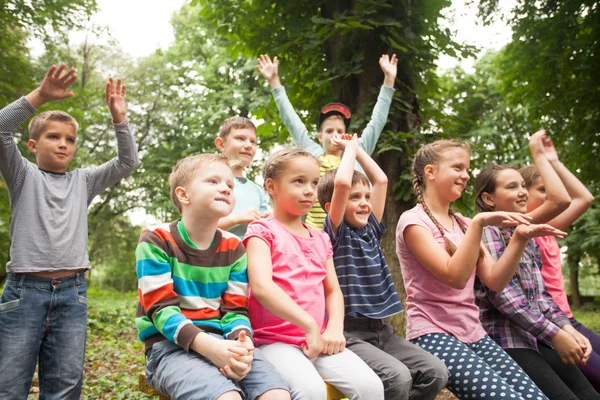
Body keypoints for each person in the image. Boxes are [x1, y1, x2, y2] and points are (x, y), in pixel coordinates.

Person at [0, 64, 139, 399]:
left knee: (64, 386)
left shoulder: (84, 181)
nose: (63, 144)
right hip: (25, 292)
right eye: (53, 136)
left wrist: (120, 119)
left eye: (70, 139)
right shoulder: (22, 175)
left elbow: (127, 162)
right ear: (32, 145)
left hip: (72, 294)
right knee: (8, 385)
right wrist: (41, 96)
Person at [396, 139, 560, 399]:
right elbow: (455, 277)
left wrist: (519, 238)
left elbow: (495, 281)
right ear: (430, 172)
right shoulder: (413, 222)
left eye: (467, 169)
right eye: (458, 168)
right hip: (433, 332)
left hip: (473, 331)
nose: (465, 175)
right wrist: (479, 224)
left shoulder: (463, 223)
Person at [135, 153, 290, 400]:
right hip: (168, 348)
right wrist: (210, 348)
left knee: (277, 394)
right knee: (227, 397)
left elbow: (235, 311)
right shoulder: (156, 239)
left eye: (229, 184)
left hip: (222, 341)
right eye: (213, 181)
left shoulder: (235, 248)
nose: (225, 189)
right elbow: (160, 310)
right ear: (183, 195)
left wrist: (242, 343)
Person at [244, 148, 384, 400]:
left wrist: (334, 328)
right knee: (311, 391)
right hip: (275, 342)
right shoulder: (262, 231)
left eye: (315, 182)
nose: (310, 190)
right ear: (271, 186)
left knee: (371, 387)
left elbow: (332, 290)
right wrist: (308, 323)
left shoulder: (320, 237)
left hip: (319, 340)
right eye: (299, 181)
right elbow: (262, 287)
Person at [319, 134, 448, 400]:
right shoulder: (334, 234)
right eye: (355, 198)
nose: (365, 202)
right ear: (333, 207)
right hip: (348, 330)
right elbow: (342, 183)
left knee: (436, 372)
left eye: (367, 196)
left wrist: (358, 150)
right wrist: (350, 150)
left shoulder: (370, 230)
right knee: (396, 377)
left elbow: (381, 180)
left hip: (380, 329)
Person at [474, 130, 600, 400]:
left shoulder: (526, 234)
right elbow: (504, 297)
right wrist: (556, 334)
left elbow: (541, 296)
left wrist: (565, 328)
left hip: (536, 334)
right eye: (512, 187)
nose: (522, 193)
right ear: (488, 199)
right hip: (507, 338)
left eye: (522, 185)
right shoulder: (487, 232)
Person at [257, 53, 397, 229]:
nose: (335, 134)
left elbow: (377, 121)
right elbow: (291, 120)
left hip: (348, 233)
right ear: (320, 137)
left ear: (347, 134)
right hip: (316, 232)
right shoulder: (312, 154)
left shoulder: (356, 152)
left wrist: (389, 79)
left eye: (340, 131)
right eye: (329, 131)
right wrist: (274, 81)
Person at [520, 156, 600, 392]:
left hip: (568, 318)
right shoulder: (522, 228)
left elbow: (585, 198)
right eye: (542, 189)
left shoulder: (548, 228)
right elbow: (562, 199)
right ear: (523, 193)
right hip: (549, 324)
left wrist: (554, 161)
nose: (549, 194)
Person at [215, 116, 270, 238]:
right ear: (221, 144)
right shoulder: (210, 183)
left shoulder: (258, 191)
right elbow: (197, 226)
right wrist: (236, 219)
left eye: (253, 141)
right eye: (240, 138)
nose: (248, 145)